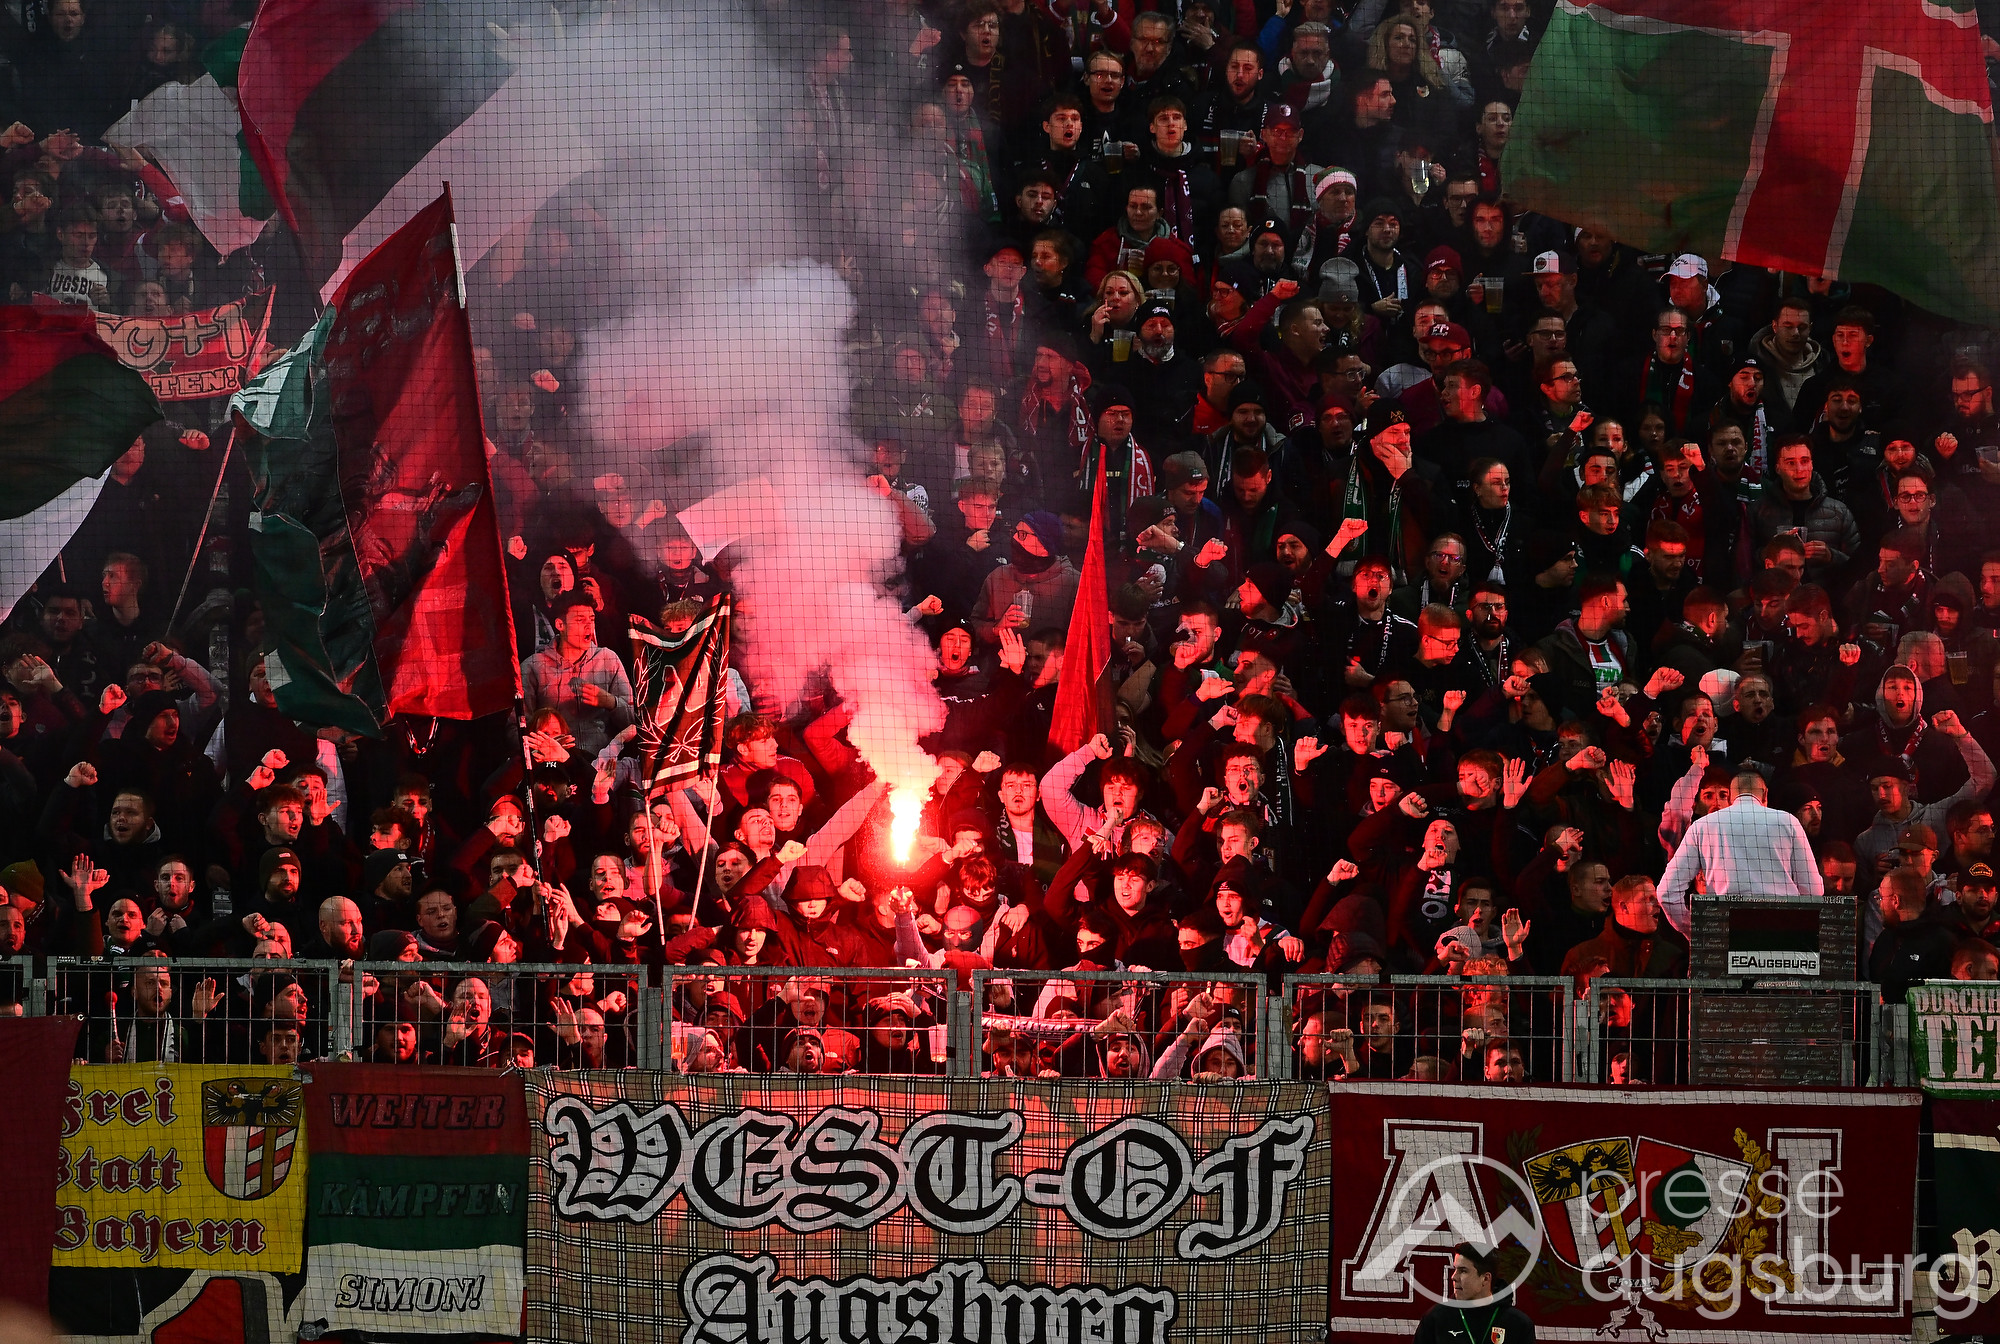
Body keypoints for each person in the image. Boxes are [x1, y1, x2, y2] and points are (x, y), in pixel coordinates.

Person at [1656, 772, 1822, 935]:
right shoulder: (1788, 822)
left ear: (1730, 798)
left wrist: (1693, 930)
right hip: (1782, 930)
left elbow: (1666, 892)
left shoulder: (1702, 826)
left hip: (1723, 932)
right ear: (1765, 794)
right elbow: (1813, 889)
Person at [1413, 1243, 1536, 1344]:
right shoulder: (1435, 1319)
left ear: (1486, 1278)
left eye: (1463, 1271)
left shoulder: (1518, 1324)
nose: (1454, 1277)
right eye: (1455, 1269)